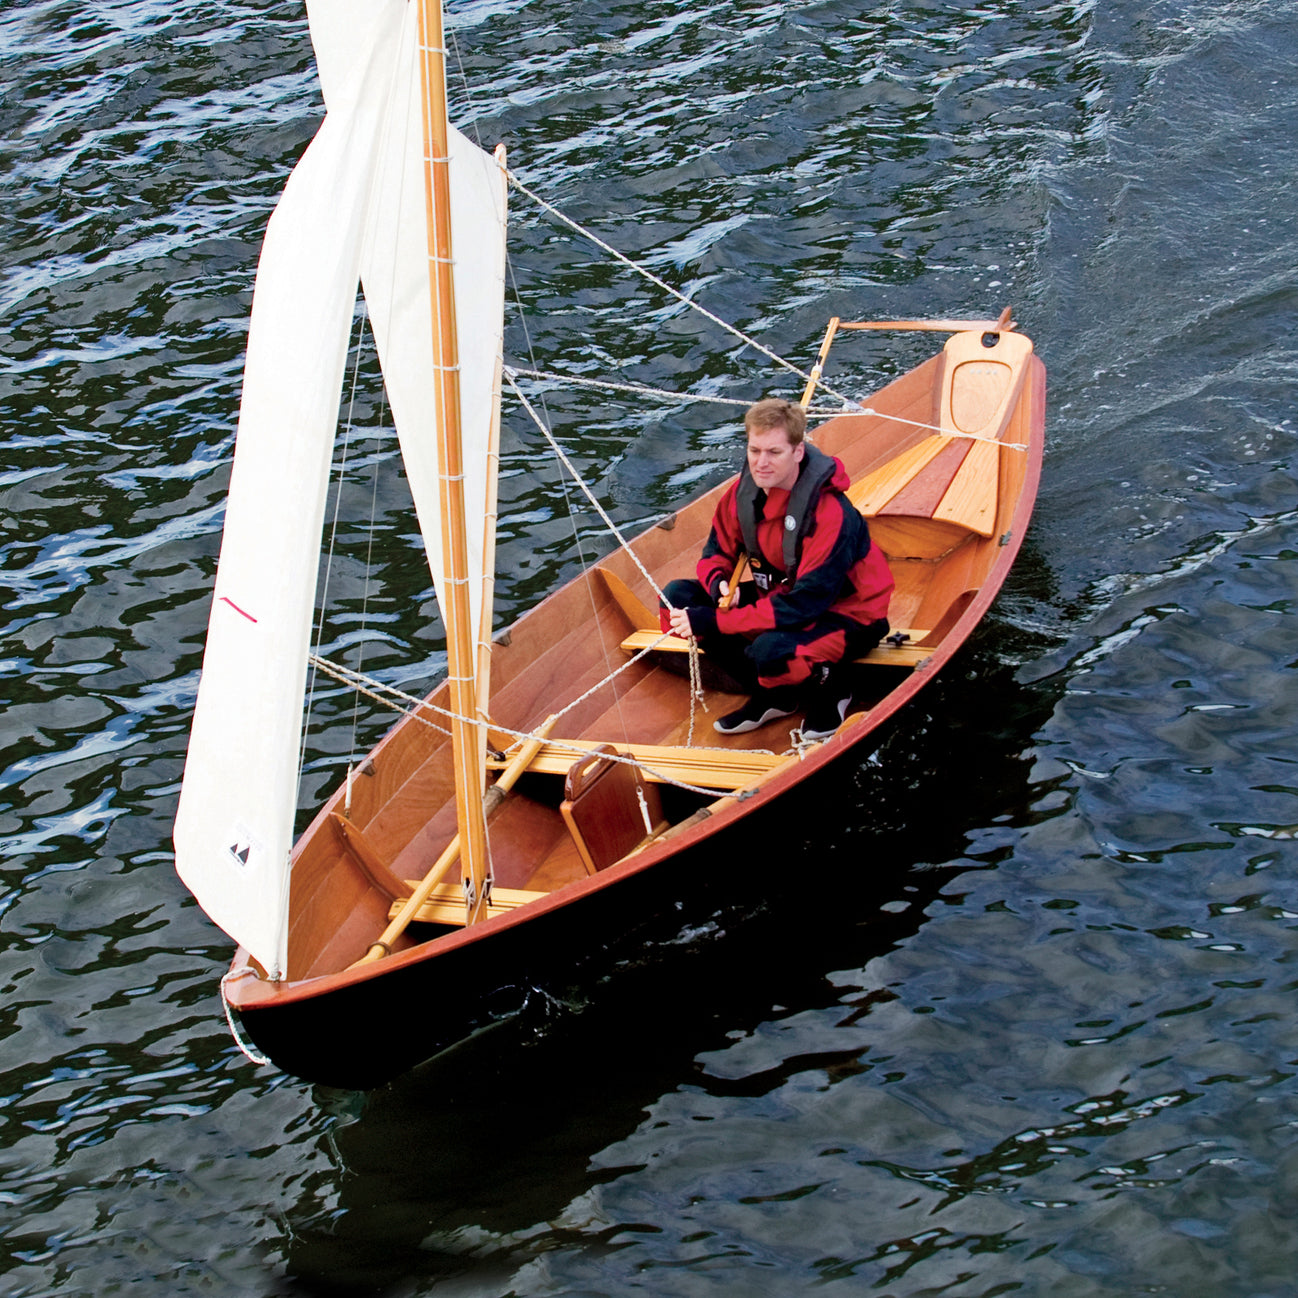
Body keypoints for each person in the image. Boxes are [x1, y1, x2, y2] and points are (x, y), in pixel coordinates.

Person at [660, 397, 894, 741]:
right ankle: (777, 693)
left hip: (849, 615)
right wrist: (719, 585)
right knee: (676, 600)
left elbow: (805, 606)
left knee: (771, 648)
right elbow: (715, 551)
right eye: (754, 451)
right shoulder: (742, 495)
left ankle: (835, 685)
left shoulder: (831, 516)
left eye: (774, 452)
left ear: (798, 452)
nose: (761, 463)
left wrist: (720, 621)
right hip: (784, 595)